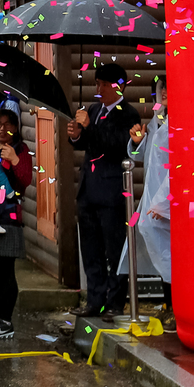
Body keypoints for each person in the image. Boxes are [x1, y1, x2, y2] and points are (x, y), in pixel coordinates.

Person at [67, 62, 138, 320]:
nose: (100, 89)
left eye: (105, 85)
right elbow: (87, 144)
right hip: (88, 188)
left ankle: (115, 303)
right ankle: (94, 299)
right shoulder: (94, 109)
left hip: (111, 191)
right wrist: (76, 134)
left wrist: (91, 127)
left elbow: (117, 145)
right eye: (97, 84)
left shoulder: (128, 114)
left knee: (115, 250)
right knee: (91, 249)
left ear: (119, 86)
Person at [121, 83, 173, 330]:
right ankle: (168, 304)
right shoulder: (158, 118)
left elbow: (179, 167)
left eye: (168, 89)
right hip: (154, 198)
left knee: (173, 255)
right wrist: (137, 142)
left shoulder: (183, 122)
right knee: (161, 253)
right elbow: (144, 156)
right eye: (161, 89)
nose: (163, 93)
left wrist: (163, 202)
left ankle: (177, 307)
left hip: (169, 201)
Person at [0, 108, 34, 340]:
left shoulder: (21, 150)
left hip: (8, 218)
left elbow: (24, 181)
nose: (2, 129)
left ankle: (5, 319)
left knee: (5, 271)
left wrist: (14, 160)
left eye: (7, 124)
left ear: (15, 128)